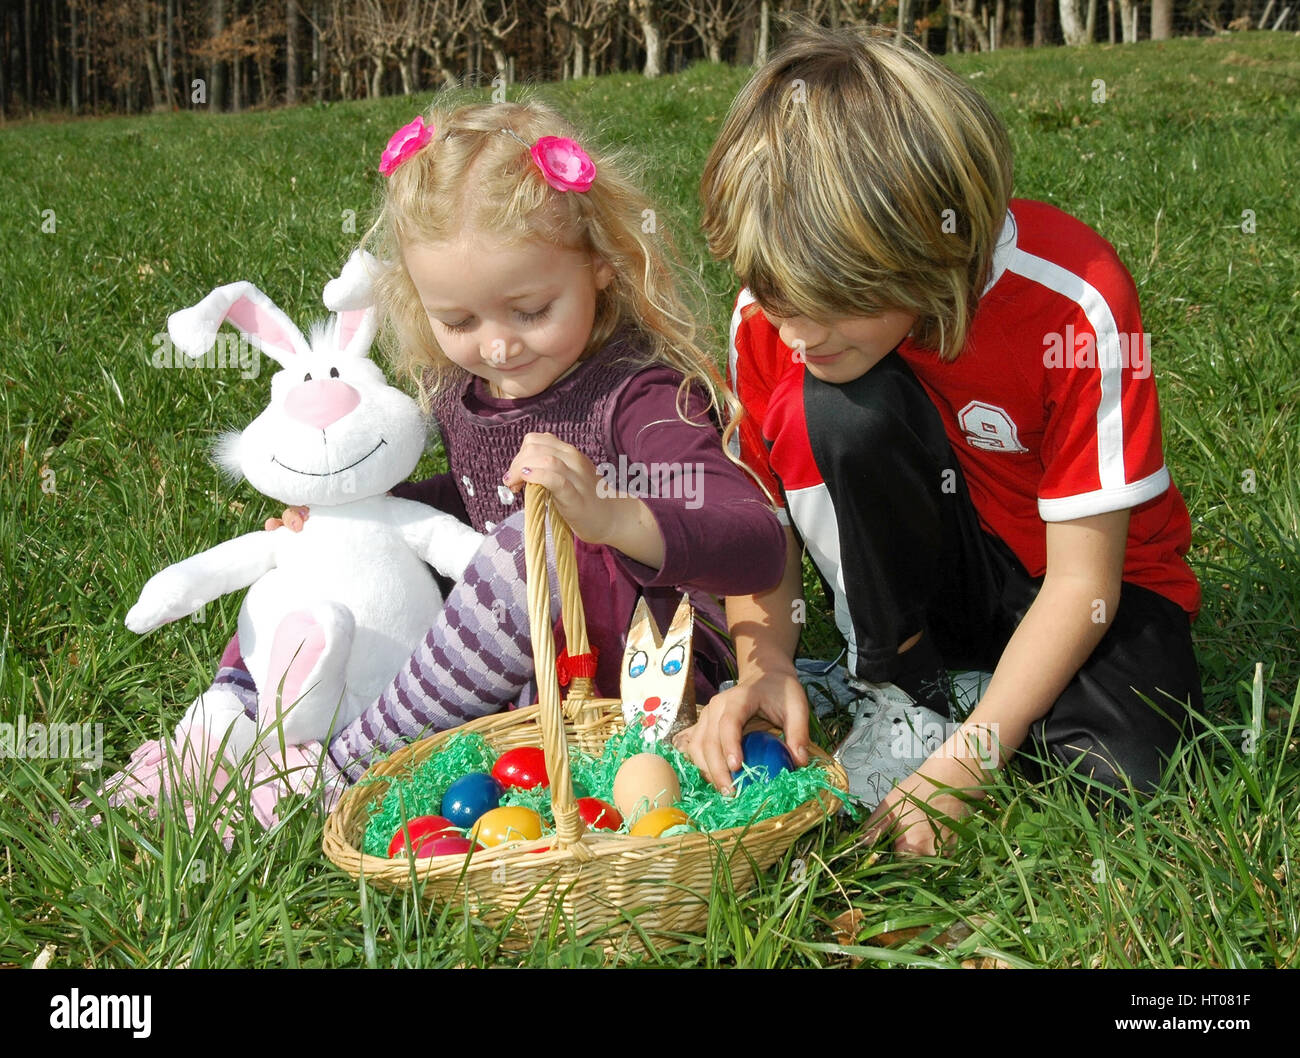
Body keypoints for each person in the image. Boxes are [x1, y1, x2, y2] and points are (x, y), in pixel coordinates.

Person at [102, 100, 785, 823]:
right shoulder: (468, 395)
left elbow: (754, 543)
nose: (496, 346)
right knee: (325, 554)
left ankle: (345, 768)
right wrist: (358, 524)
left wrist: (612, 516)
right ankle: (231, 729)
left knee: (531, 548)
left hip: (638, 678)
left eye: (529, 309)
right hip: (525, 664)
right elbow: (471, 502)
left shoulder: (640, 393)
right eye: (458, 321)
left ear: (601, 267)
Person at [677, 22, 1203, 856]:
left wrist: (980, 752)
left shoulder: (1072, 300)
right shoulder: (771, 317)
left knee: (1121, 777)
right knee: (839, 405)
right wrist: (764, 667)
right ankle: (903, 680)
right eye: (775, 291)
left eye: (832, 299)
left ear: (932, 247)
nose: (797, 328)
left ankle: (978, 708)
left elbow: (1085, 582)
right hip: (935, 573)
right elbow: (763, 528)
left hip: (1075, 584)